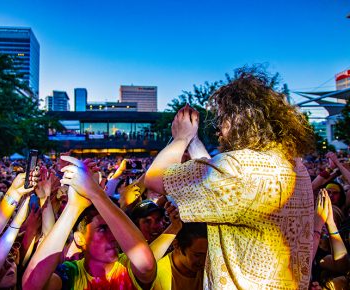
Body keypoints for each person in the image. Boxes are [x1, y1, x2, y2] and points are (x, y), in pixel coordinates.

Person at [145, 68, 315, 289]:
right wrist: (193, 140)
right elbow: (218, 185)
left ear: (241, 120)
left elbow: (155, 178)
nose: (218, 129)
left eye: (223, 119)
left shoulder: (238, 169)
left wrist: (181, 138)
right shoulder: (296, 167)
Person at [22, 156, 156, 290]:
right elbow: (31, 285)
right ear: (79, 238)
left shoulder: (127, 266)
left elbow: (146, 265)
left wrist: (95, 193)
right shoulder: (70, 273)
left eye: (113, 229)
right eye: (103, 229)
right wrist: (74, 205)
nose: (114, 236)